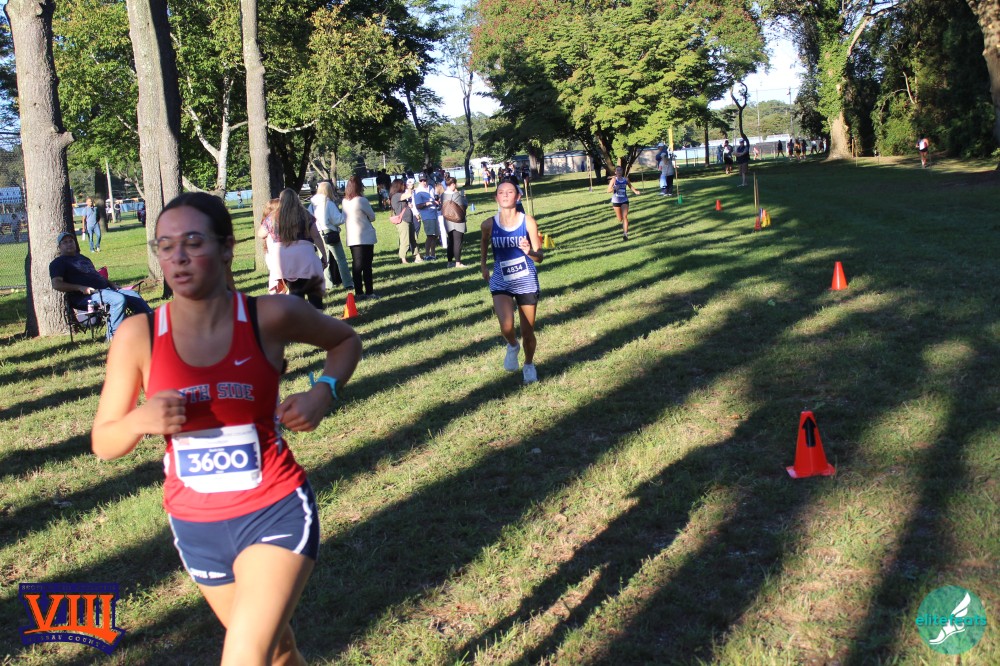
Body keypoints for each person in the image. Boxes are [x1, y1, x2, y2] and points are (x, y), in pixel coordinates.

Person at [91, 191, 361, 666]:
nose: (178, 257)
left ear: (226, 248)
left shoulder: (269, 316)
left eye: (193, 242)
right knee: (278, 652)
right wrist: (139, 419)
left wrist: (323, 392)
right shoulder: (139, 336)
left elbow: (345, 341)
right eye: (165, 245)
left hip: (274, 510)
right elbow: (104, 441)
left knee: (244, 655)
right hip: (195, 526)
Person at [480, 181, 543, 385]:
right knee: (506, 326)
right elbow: (484, 242)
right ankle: (513, 345)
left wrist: (529, 251)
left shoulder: (528, 222)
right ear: (496, 198)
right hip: (501, 279)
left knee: (527, 332)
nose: (505, 195)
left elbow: (540, 257)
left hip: (526, 280)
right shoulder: (488, 224)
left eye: (510, 192)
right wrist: (483, 265)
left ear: (518, 197)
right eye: (501, 192)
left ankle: (529, 364)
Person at [49, 230, 152, 340]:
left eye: (71, 241)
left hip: (105, 290)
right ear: (59, 247)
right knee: (118, 299)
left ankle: (153, 325)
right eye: (65, 242)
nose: (69, 244)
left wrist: (111, 284)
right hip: (84, 297)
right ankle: (114, 336)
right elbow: (56, 284)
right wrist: (79, 287)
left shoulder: (83, 258)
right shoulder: (58, 263)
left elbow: (96, 276)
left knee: (133, 295)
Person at [258, 189, 328, 309]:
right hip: (305, 255)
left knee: (295, 290)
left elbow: (261, 233)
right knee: (313, 289)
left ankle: (298, 315)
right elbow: (316, 236)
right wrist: (324, 255)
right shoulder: (305, 214)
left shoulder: (273, 217)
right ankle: (317, 314)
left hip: (285, 259)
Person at [309, 181, 353, 293]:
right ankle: (348, 282)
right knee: (340, 259)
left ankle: (327, 283)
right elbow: (338, 219)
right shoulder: (328, 203)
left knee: (324, 258)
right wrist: (345, 215)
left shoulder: (312, 204)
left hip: (318, 232)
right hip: (330, 232)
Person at [342, 175, 378, 300]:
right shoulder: (362, 200)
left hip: (352, 237)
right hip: (365, 236)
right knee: (367, 266)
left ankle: (358, 292)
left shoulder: (345, 201)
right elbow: (372, 217)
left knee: (356, 266)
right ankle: (369, 291)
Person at [607, 166, 641, 241]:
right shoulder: (614, 180)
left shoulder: (625, 179)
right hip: (616, 201)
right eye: (617, 170)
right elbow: (608, 190)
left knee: (625, 216)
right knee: (620, 219)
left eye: (620, 170)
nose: (619, 172)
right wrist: (614, 188)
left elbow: (630, 186)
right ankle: (623, 227)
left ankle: (625, 234)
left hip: (624, 200)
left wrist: (635, 191)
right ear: (615, 172)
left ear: (622, 172)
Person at [441, 177, 468, 267]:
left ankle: (449, 262)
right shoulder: (456, 195)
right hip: (457, 220)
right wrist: (463, 197)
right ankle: (458, 263)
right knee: (458, 242)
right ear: (452, 184)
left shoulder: (443, 195)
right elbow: (464, 206)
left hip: (447, 220)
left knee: (451, 241)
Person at [389, 178, 418, 264]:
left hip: (408, 219)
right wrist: (409, 187)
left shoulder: (399, 195)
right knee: (405, 240)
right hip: (403, 221)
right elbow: (408, 195)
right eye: (403, 184)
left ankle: (417, 256)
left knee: (413, 239)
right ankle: (403, 259)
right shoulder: (396, 196)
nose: (404, 186)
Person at [413, 174, 440, 260]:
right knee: (430, 236)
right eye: (421, 180)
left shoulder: (431, 188)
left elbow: (435, 198)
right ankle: (427, 255)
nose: (423, 182)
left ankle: (433, 254)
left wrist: (436, 202)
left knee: (435, 235)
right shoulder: (418, 191)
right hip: (427, 215)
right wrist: (427, 203)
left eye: (425, 180)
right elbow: (418, 206)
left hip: (435, 214)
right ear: (419, 181)